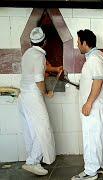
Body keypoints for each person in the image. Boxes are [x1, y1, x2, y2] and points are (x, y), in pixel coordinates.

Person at [72, 29, 103, 180]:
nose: (77, 45)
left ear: (84, 43)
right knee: (101, 137)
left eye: (78, 42)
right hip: (101, 104)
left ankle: (90, 172)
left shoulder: (94, 59)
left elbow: (98, 81)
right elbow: (95, 80)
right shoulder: (101, 56)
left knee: (92, 138)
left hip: (95, 106)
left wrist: (88, 103)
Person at [18, 27, 58, 176]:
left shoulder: (28, 53)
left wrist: (54, 69)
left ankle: (33, 159)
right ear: (45, 41)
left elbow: (40, 69)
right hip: (33, 96)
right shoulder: (39, 56)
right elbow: (39, 79)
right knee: (43, 128)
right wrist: (47, 93)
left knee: (32, 130)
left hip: (23, 96)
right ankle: (33, 162)